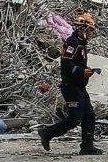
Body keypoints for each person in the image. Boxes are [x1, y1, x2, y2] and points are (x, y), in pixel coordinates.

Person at [38, 12, 103, 155]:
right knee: (75, 118)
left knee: (89, 115)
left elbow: (76, 63)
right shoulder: (73, 42)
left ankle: (87, 146)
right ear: (83, 29)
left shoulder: (81, 43)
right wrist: (81, 71)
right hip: (71, 87)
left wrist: (86, 70)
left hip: (79, 86)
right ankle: (47, 133)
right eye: (90, 30)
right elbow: (66, 64)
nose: (91, 33)